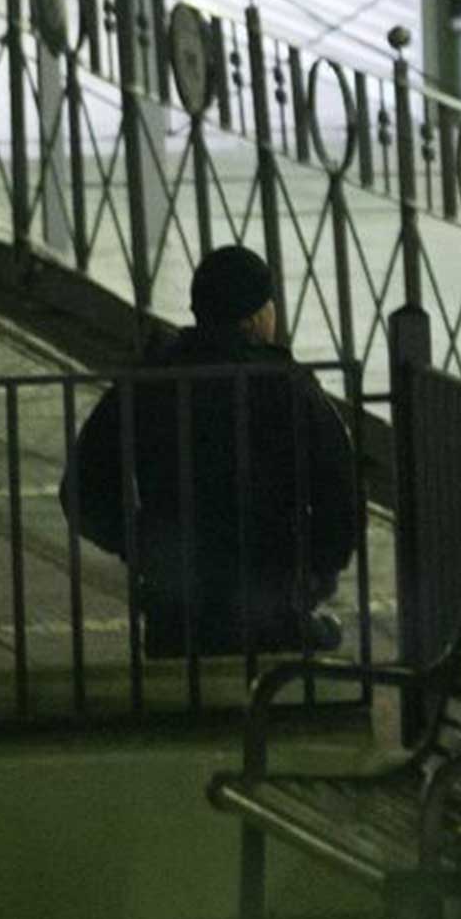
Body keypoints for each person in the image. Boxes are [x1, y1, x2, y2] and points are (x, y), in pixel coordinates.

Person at [63, 244, 359, 657]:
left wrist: (143, 547)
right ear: (256, 318)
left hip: (177, 610)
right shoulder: (288, 388)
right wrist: (314, 573)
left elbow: (81, 488)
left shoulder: (151, 381)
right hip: (270, 606)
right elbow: (340, 497)